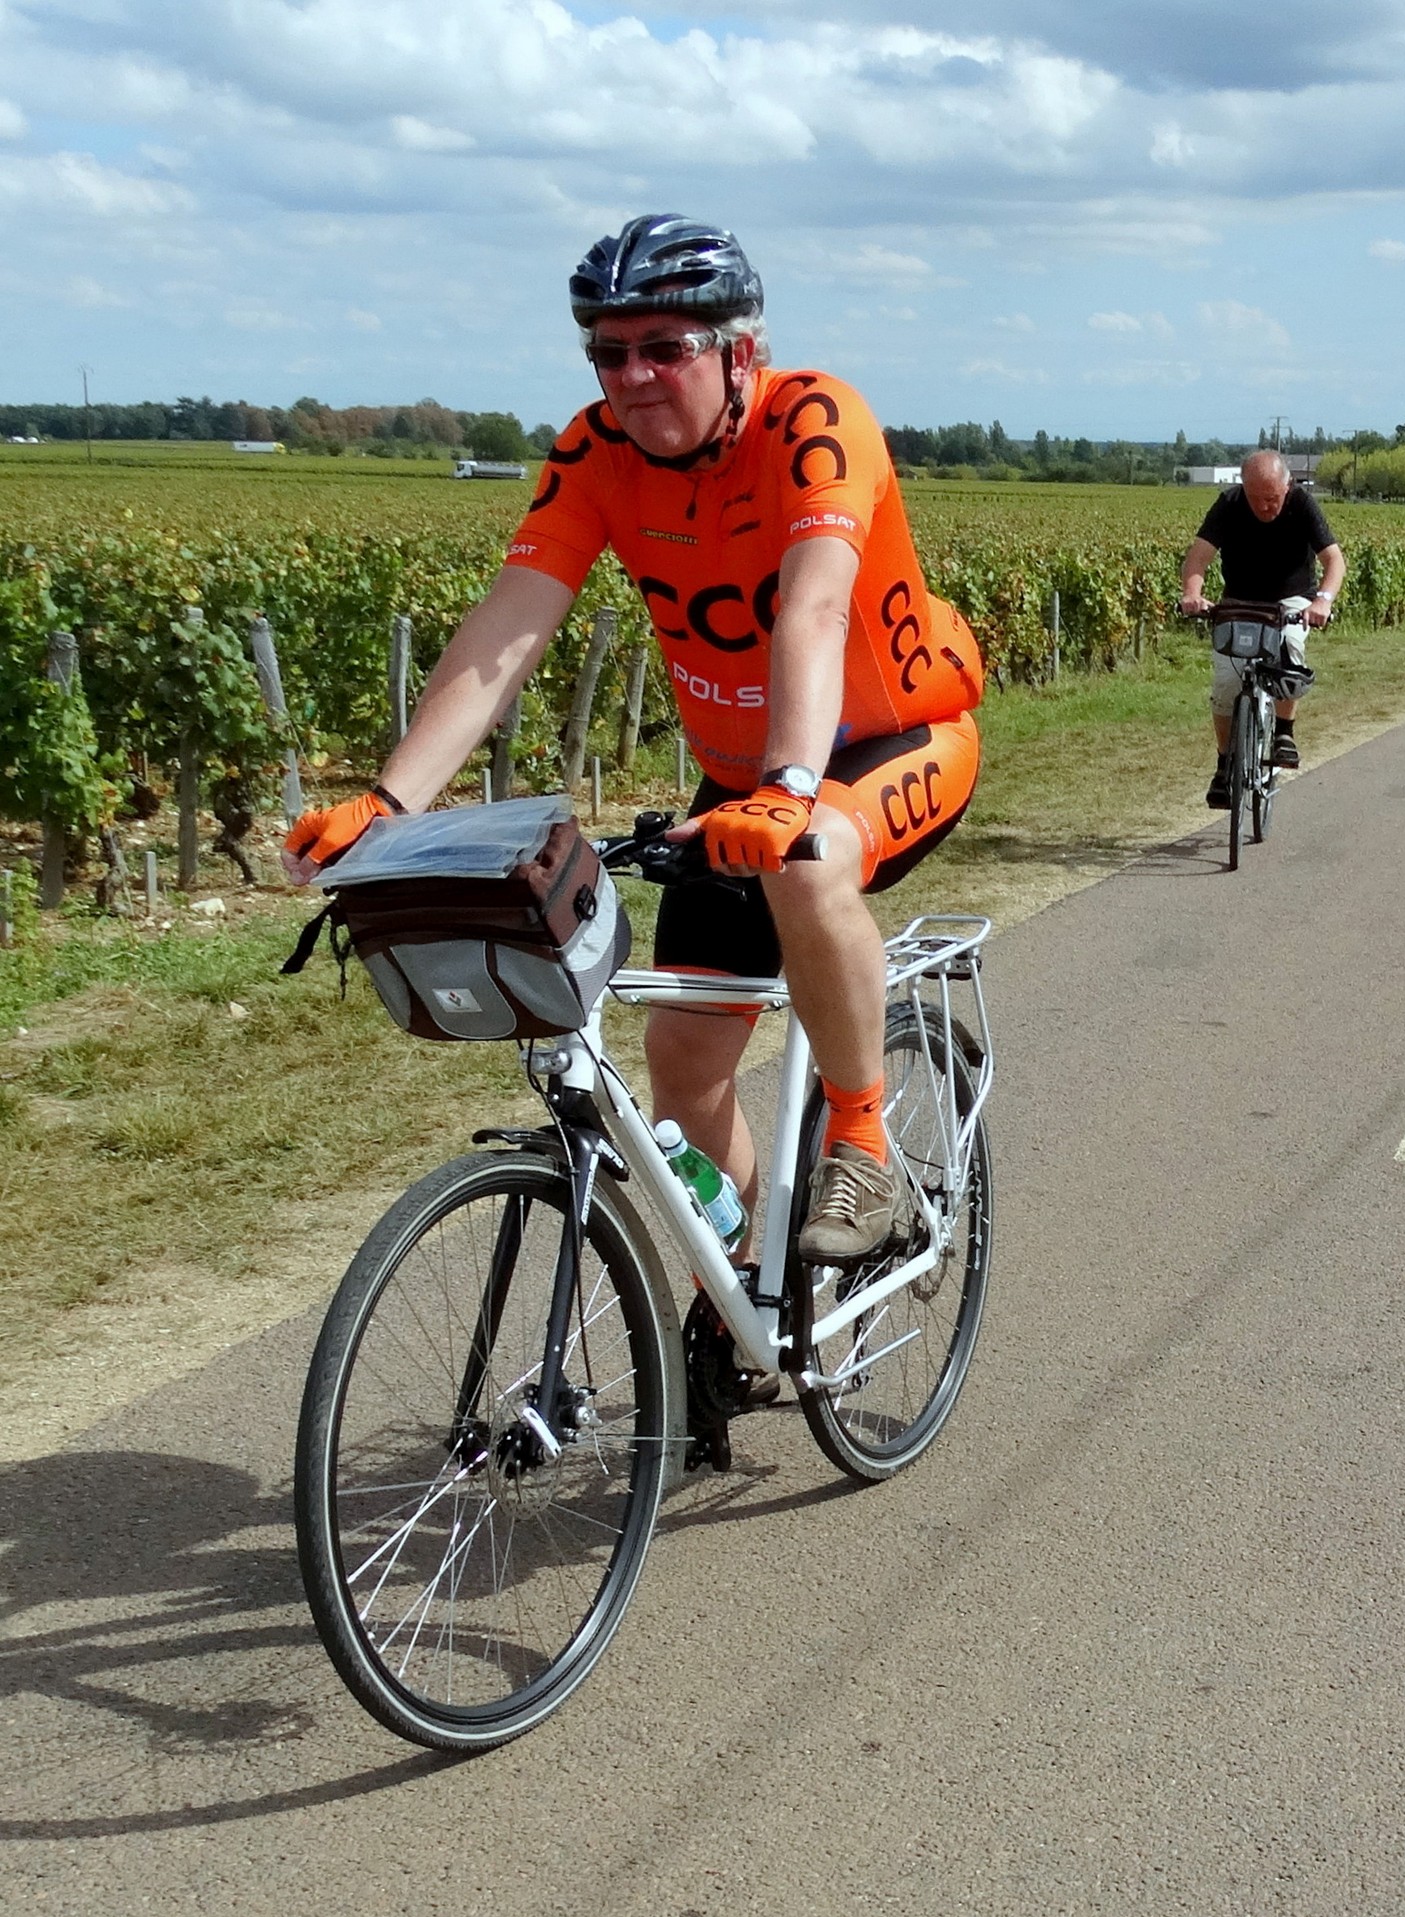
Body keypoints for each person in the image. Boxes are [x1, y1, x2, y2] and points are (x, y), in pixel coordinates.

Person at [284, 213, 985, 1277]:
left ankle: (861, 1139)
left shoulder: (816, 421)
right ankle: (760, 1270)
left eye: (666, 347)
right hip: (746, 780)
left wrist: (793, 788)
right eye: (609, 351)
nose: (634, 376)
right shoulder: (595, 450)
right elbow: (507, 630)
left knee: (812, 866)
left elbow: (814, 611)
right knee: (684, 1062)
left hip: (891, 737)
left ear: (738, 349)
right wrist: (388, 805)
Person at [1178, 449, 1346, 808]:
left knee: (1290, 651)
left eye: (1272, 498)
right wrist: (1192, 593)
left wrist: (1323, 600)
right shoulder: (1228, 503)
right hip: (1239, 600)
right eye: (1256, 498)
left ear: (1287, 487)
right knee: (1225, 682)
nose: (1265, 507)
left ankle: (1284, 732)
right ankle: (1225, 763)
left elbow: (1334, 559)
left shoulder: (1302, 505)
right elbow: (1199, 556)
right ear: (1244, 488)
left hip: (1292, 600)